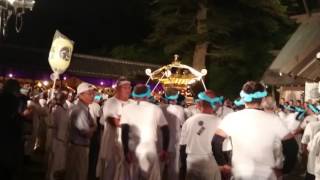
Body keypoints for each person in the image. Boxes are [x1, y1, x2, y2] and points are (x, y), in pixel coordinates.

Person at [213, 81, 298, 180]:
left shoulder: (231, 118)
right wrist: (285, 169)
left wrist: (223, 164)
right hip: (267, 175)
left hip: (240, 174)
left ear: (243, 99)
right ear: (263, 100)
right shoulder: (273, 119)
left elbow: (216, 142)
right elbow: (292, 147)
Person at [121, 84, 169, 180]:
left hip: (132, 147)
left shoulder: (126, 108)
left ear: (134, 94)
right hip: (149, 148)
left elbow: (124, 131)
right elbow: (165, 130)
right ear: (148, 95)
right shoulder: (155, 108)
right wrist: (164, 149)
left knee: (131, 176)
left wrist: (125, 151)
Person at [96, 76, 133, 180]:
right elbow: (114, 121)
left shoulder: (132, 103)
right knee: (110, 170)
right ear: (117, 88)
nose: (128, 90)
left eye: (129, 87)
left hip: (128, 144)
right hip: (113, 143)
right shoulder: (110, 102)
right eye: (124, 87)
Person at [180, 90, 221, 180]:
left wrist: (183, 166)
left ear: (199, 104)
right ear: (214, 104)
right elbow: (220, 147)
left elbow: (182, 145)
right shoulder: (219, 122)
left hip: (191, 161)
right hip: (209, 162)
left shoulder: (188, 121)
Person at [66, 82, 96, 180]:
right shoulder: (80, 110)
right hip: (79, 148)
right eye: (89, 94)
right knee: (78, 174)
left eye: (93, 93)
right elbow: (86, 133)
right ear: (80, 95)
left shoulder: (84, 108)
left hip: (77, 146)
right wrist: (94, 127)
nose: (92, 96)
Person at [0, 79, 26, 180]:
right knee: (7, 169)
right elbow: (14, 118)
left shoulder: (2, 98)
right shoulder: (13, 100)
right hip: (9, 139)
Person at [160, 88, 185, 180]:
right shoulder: (180, 109)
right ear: (176, 97)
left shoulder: (160, 108)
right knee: (174, 167)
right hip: (175, 140)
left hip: (162, 140)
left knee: (160, 165)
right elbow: (182, 123)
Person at [48, 91, 69, 180]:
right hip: (59, 140)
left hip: (56, 138)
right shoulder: (60, 110)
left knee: (53, 162)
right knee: (57, 163)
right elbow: (61, 126)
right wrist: (64, 139)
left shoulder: (56, 109)